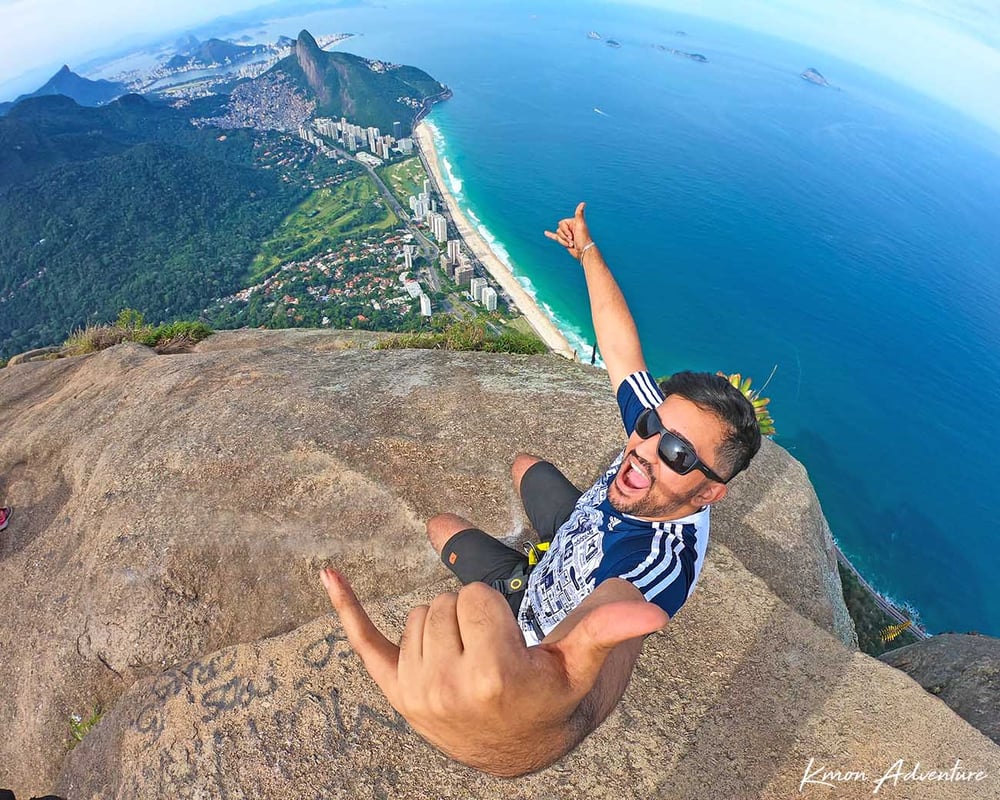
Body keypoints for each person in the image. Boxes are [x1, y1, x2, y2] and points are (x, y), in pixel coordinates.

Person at [320, 201, 762, 775]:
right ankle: (560, 530)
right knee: (524, 464)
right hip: (579, 529)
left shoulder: (655, 566)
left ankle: (526, 571)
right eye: (652, 427)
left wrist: (529, 734)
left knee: (442, 530)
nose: (646, 448)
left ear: (708, 494)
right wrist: (588, 254)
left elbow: (607, 653)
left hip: (533, 602)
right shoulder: (649, 441)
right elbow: (623, 352)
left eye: (678, 455)